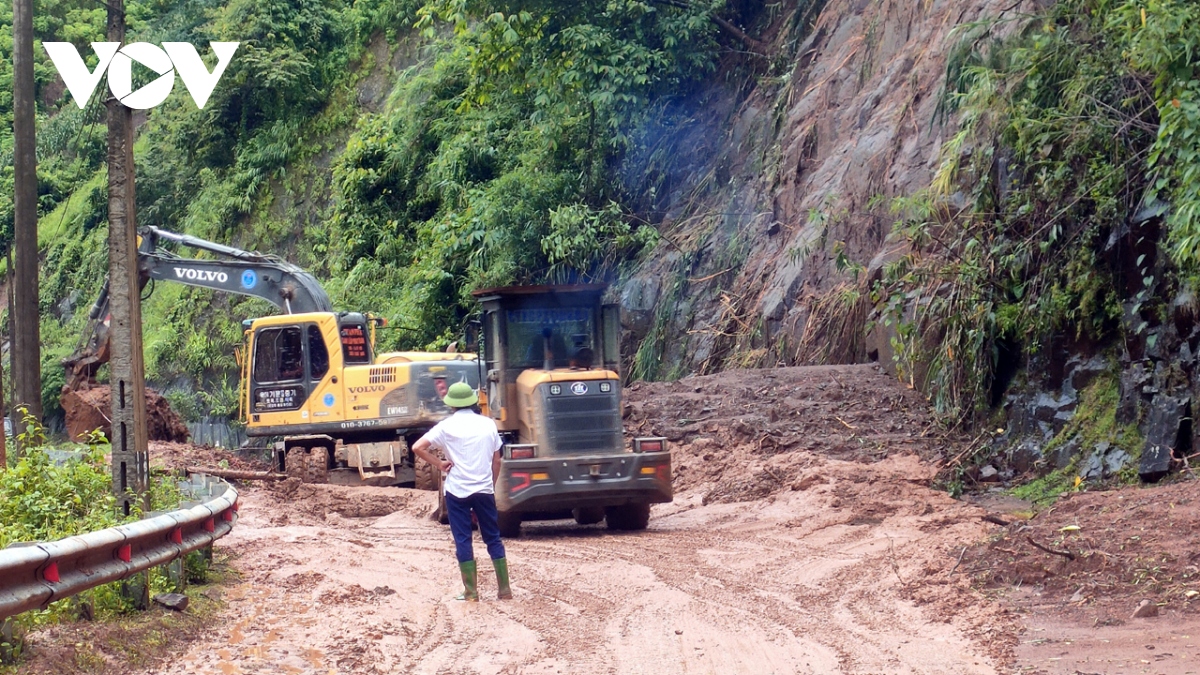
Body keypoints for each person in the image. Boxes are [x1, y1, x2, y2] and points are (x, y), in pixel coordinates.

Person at [411, 381, 512, 601]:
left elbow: (417, 447)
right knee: (493, 538)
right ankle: (504, 590)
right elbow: (497, 460)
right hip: (484, 489)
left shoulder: (445, 427)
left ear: (452, 405)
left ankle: (471, 592)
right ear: (474, 401)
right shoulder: (488, 424)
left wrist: (439, 464)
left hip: (457, 492)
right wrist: (490, 486)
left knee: (463, 539)